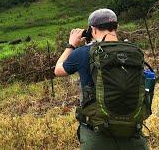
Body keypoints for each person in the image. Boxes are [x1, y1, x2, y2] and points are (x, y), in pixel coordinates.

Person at [54, 9, 150, 150]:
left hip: (97, 135)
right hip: (133, 134)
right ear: (116, 27)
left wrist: (71, 45)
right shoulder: (134, 51)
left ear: (92, 29)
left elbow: (58, 70)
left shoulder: (83, 53)